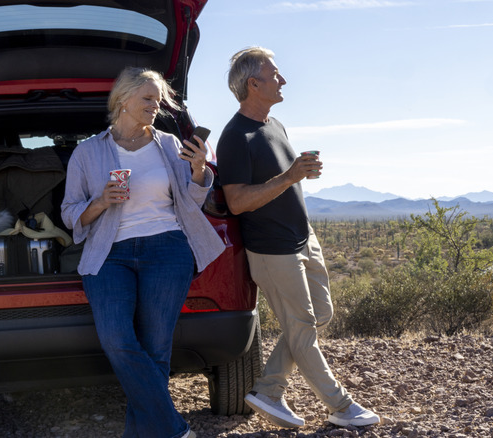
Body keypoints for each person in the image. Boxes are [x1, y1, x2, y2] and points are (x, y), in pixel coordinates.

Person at [216, 47, 380, 429]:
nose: (283, 80)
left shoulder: (275, 125)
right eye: (275, 75)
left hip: (303, 238)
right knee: (302, 327)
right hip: (272, 250)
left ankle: (269, 389)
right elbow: (237, 202)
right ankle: (341, 406)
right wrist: (290, 176)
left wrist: (300, 172)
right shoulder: (235, 137)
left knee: (320, 315)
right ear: (253, 84)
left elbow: (284, 177)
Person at [61, 67, 224, 438]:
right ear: (123, 100)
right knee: (117, 339)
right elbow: (71, 214)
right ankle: (175, 429)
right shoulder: (87, 152)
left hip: (167, 248)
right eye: (148, 99)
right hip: (109, 252)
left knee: (155, 351)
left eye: (158, 99)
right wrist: (101, 201)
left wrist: (199, 170)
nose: (156, 106)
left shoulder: (168, 144)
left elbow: (192, 199)